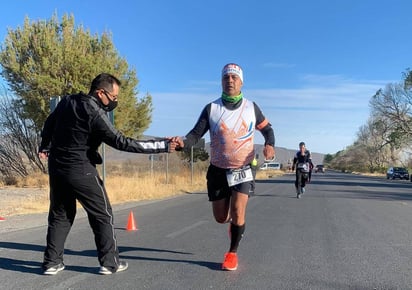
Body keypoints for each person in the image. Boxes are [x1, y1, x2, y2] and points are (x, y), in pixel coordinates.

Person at [38, 73, 180, 275]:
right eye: (113, 97)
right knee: (103, 214)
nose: (115, 101)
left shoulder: (67, 101)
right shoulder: (94, 112)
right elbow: (122, 142)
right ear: (100, 93)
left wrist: (45, 146)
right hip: (81, 169)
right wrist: (163, 145)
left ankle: (52, 263)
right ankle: (109, 263)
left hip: (57, 168)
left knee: (60, 215)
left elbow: (49, 124)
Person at [175, 63, 275, 271]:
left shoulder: (251, 107)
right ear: (221, 81)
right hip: (218, 169)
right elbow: (195, 135)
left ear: (241, 82)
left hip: (242, 169)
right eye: (226, 77)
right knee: (221, 217)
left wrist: (269, 144)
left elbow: (267, 129)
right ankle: (233, 227)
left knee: (238, 212)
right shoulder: (211, 108)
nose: (230, 80)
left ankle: (232, 253)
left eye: (234, 77)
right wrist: (183, 142)